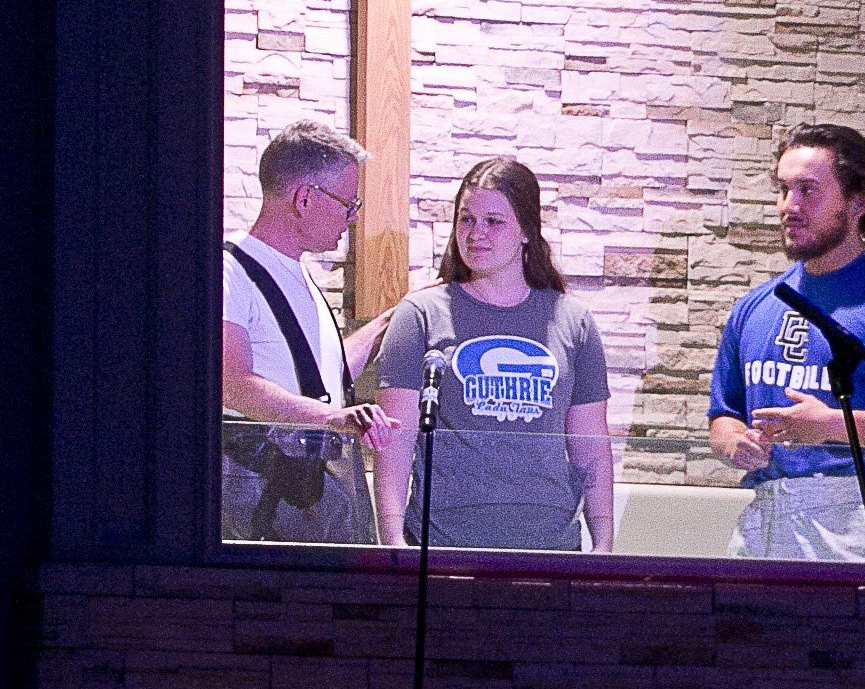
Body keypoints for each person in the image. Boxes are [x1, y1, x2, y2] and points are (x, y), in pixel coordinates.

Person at [707, 123, 865, 562]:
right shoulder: (755, 306)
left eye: (807, 190)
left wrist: (831, 425)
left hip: (859, 522)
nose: (789, 206)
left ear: (858, 202)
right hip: (763, 514)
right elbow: (723, 415)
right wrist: (734, 442)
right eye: (783, 190)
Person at [374, 158, 614, 552]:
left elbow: (590, 446)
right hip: (441, 545)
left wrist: (603, 542)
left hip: (550, 546)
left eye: (494, 221)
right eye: (466, 219)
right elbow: (396, 440)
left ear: (526, 231)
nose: (476, 234)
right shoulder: (420, 314)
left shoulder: (574, 320)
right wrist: (393, 541)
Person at [221, 119, 399, 543]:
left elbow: (320, 379)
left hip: (310, 494)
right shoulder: (229, 269)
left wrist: (390, 320)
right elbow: (231, 383)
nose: (353, 218)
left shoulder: (299, 275)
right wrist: (332, 418)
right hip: (262, 498)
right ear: (304, 198)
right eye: (348, 203)